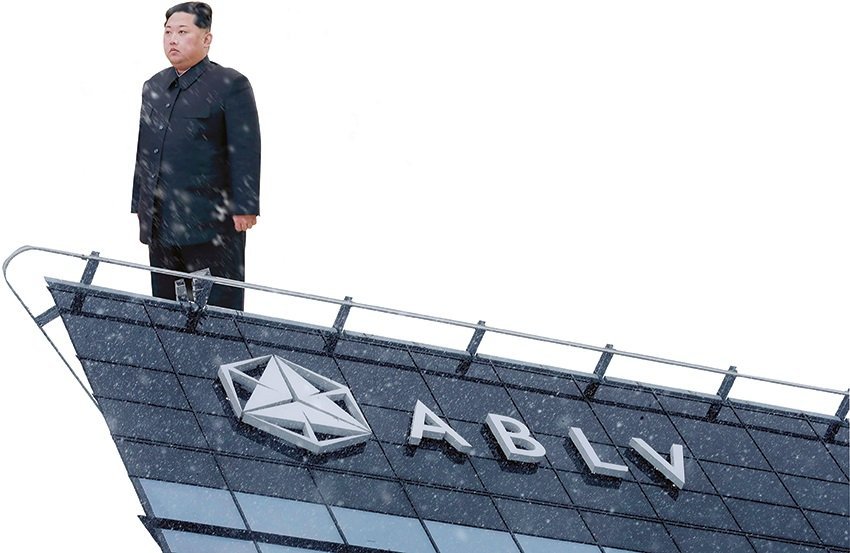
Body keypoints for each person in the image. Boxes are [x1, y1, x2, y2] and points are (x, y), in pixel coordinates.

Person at [131, 2, 260, 311]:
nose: (173, 40)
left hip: (212, 223)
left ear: (206, 38)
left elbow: (245, 148)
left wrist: (245, 206)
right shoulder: (154, 86)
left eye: (182, 32)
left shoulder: (230, 84)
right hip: (160, 219)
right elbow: (145, 148)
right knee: (166, 311)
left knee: (217, 313)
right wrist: (140, 202)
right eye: (168, 33)